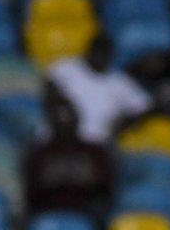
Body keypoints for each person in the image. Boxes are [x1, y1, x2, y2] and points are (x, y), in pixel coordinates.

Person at [23, 87, 112, 221]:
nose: (64, 123)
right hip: (48, 214)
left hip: (85, 213)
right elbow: (32, 194)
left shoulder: (94, 151)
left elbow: (106, 189)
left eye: (68, 116)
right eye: (59, 117)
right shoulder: (40, 153)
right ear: (51, 121)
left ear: (77, 119)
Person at [46, 34, 153, 144]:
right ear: (88, 51)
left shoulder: (120, 81)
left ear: (111, 56)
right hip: (58, 135)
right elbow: (49, 85)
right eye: (97, 51)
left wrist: (124, 122)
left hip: (98, 142)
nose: (100, 56)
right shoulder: (67, 67)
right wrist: (60, 101)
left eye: (104, 53)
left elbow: (145, 107)